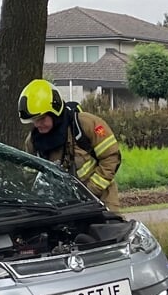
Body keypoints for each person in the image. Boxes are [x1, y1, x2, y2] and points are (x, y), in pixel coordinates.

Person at [19, 80, 123, 209]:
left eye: (41, 119)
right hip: (61, 206)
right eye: (34, 120)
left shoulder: (86, 124)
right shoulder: (33, 142)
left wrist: (90, 191)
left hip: (101, 199)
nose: (37, 124)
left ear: (55, 111)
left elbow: (111, 157)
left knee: (111, 228)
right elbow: (29, 178)